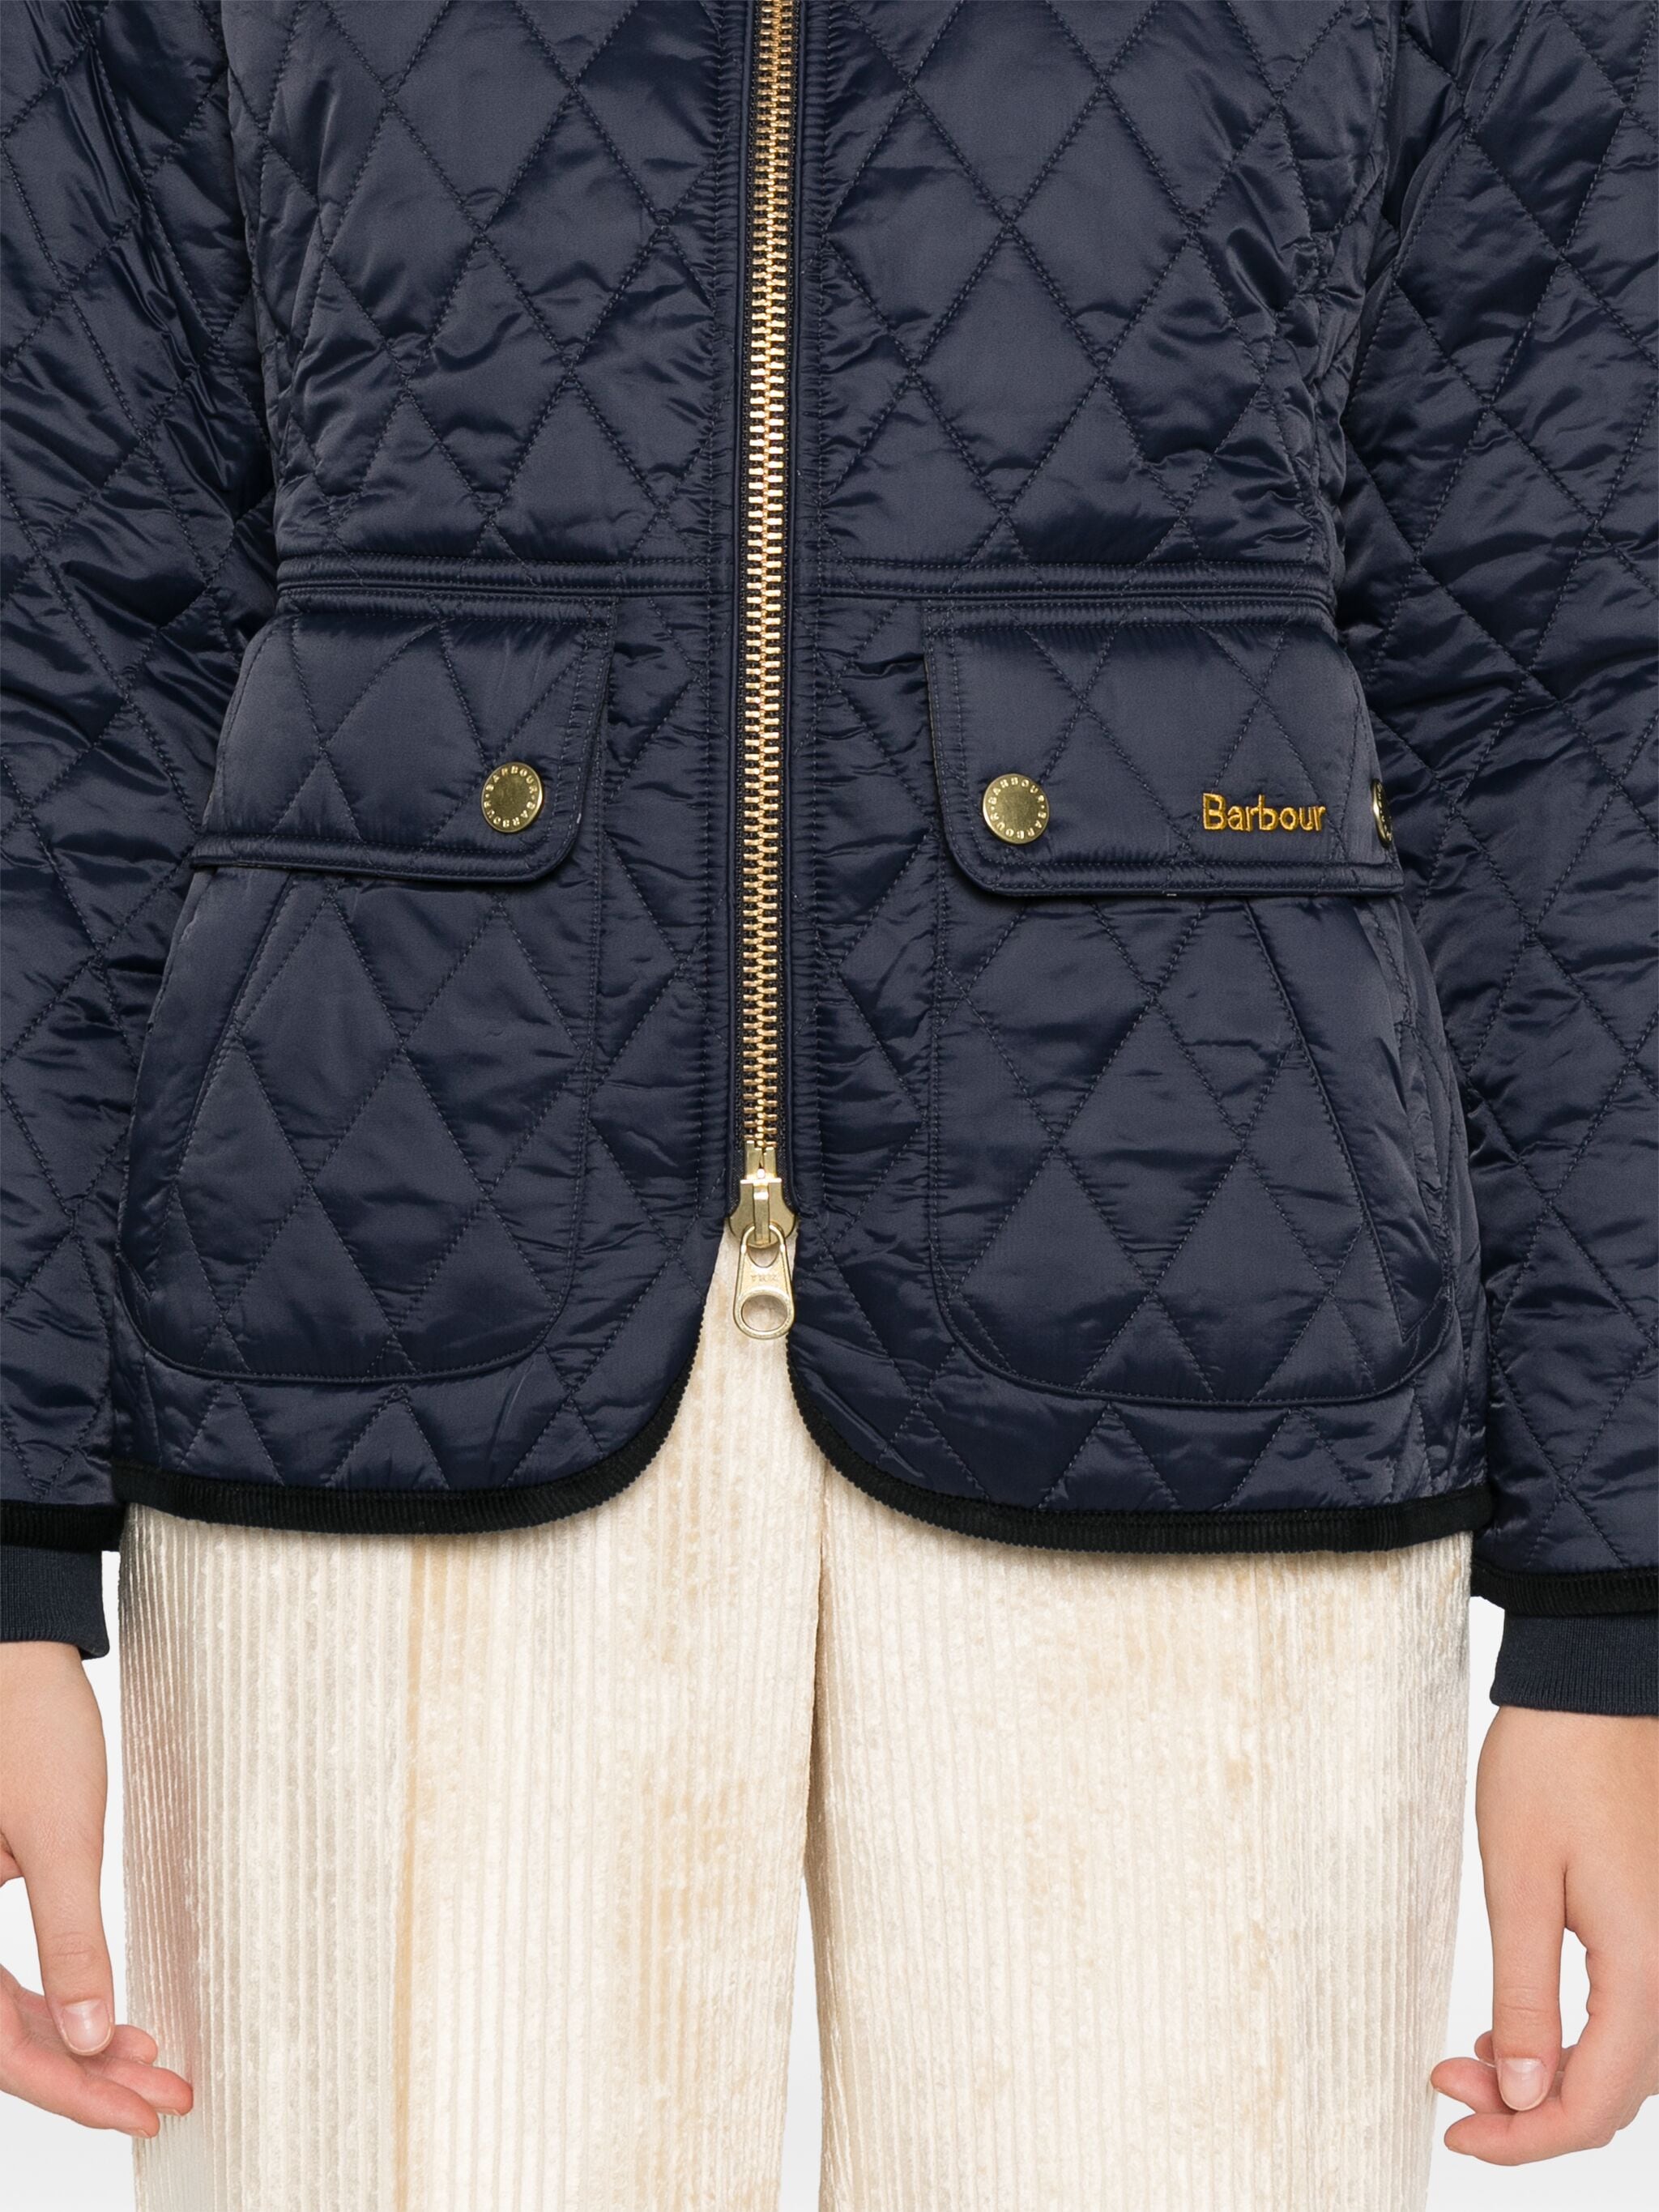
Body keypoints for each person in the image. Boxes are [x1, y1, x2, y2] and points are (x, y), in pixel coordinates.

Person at [2, 4, 1654, 2207]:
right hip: (373, 1291)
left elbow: (1564, 672)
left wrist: (1614, 1606)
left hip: (1206, 1294)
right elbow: (64, 640)